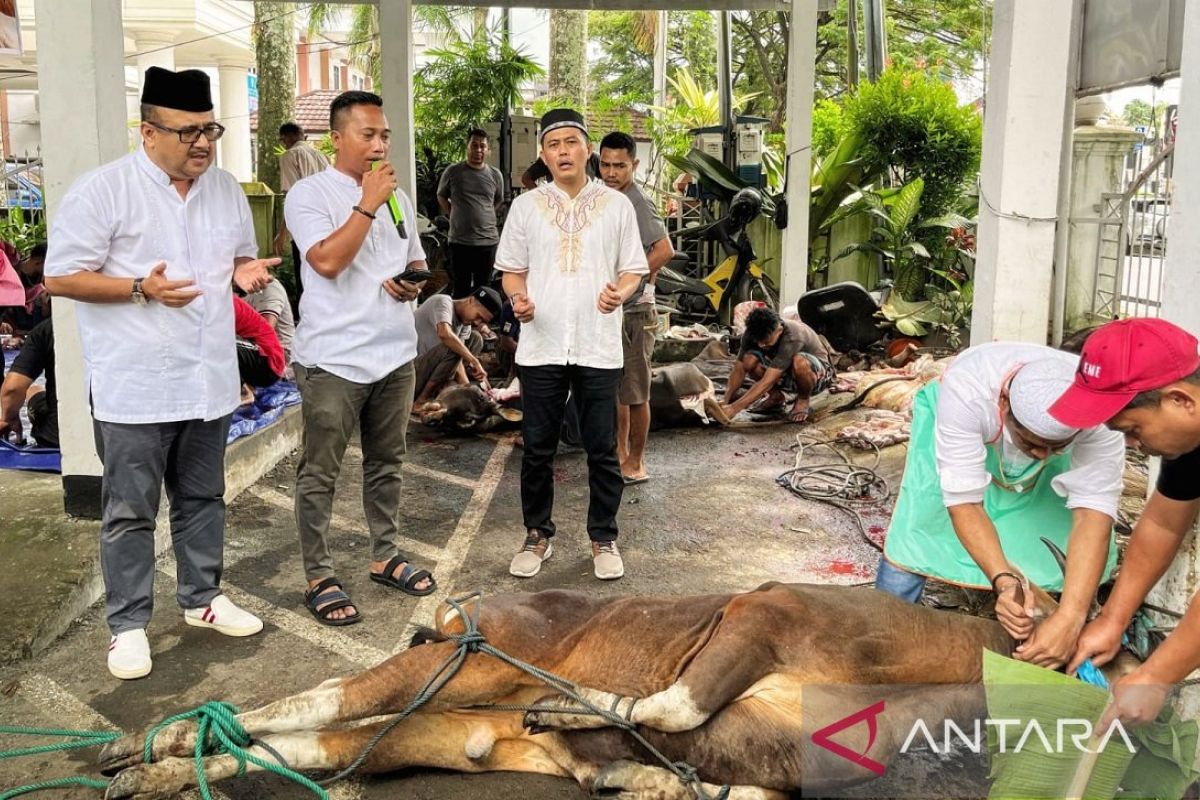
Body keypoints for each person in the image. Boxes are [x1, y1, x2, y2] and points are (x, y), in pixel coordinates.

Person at [43, 66, 275, 680]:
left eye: (210, 130)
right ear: (148, 132)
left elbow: (236, 259)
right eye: (187, 132)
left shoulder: (224, 189)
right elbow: (61, 276)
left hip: (208, 380)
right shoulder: (105, 191)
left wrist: (244, 272)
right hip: (136, 385)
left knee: (204, 497)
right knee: (129, 511)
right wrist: (138, 288)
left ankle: (202, 600)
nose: (202, 143)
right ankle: (127, 626)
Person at [876, 342, 1126, 670]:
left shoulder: (1100, 418)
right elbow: (963, 502)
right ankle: (885, 626)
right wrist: (1004, 582)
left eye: (1056, 447)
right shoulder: (968, 393)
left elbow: (1093, 512)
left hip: (1048, 428)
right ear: (1004, 404)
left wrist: (1071, 617)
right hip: (966, 419)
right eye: (1032, 444)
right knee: (924, 521)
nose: (1042, 456)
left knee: (1050, 525)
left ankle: (1052, 621)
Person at [284, 90, 437, 627]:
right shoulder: (309, 193)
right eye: (368, 134)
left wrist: (410, 283)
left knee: (387, 462)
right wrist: (367, 201)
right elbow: (325, 261)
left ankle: (385, 554)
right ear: (337, 137)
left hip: (393, 355)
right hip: (333, 360)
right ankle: (319, 574)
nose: (379, 144)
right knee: (320, 471)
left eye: (385, 135)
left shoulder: (397, 196)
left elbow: (413, 257)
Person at [496, 108, 649, 581]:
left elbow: (633, 269)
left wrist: (619, 292)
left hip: (596, 343)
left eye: (571, 142)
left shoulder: (616, 206)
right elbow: (511, 271)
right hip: (541, 344)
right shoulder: (526, 207)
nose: (563, 151)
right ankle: (537, 535)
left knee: (601, 446)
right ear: (543, 154)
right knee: (538, 446)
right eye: (553, 144)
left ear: (589, 150)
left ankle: (603, 536)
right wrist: (518, 299)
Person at [1058, 319, 1200, 727]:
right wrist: (1112, 620)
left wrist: (1156, 676)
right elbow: (1163, 524)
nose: (1134, 445)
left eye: (1133, 429)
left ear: (1180, 401)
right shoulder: (1189, 438)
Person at [597, 132, 674, 485]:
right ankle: (619, 452)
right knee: (619, 390)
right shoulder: (608, 198)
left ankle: (637, 461)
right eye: (605, 165)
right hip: (616, 310)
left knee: (636, 391)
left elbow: (664, 249)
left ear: (635, 165)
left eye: (620, 166)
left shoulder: (636, 201)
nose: (611, 172)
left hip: (637, 312)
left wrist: (631, 279)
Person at [722, 307, 834, 423]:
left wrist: (734, 408)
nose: (760, 345)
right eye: (758, 341)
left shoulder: (793, 336)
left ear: (779, 330)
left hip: (816, 376)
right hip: (786, 373)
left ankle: (803, 399)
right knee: (749, 360)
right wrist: (725, 401)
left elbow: (768, 380)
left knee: (799, 361)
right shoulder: (751, 333)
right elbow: (738, 369)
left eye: (766, 342)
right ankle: (776, 397)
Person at [436, 129, 505, 298]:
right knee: (461, 287)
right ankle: (461, 325)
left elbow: (498, 200)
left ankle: (480, 324)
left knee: (484, 291)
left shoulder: (495, 175)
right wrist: (453, 214)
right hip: (460, 241)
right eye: (474, 145)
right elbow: (441, 195)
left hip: (487, 241)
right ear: (467, 147)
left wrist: (485, 213)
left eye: (482, 146)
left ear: (488, 150)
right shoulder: (453, 172)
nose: (478, 150)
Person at [272, 121, 329, 318]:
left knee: (305, 276)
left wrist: (281, 233)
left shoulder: (290, 156)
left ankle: (309, 320)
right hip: (328, 222)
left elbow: (291, 196)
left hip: (305, 225)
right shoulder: (321, 156)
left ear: (286, 138)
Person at [413, 286, 502, 406]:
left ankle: (443, 387)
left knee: (476, 338)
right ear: (471, 300)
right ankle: (421, 400)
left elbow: (458, 362)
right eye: (478, 316)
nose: (477, 322)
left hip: (429, 371)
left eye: (482, 321)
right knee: (454, 348)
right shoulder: (442, 302)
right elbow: (445, 334)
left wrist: (470, 390)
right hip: (411, 373)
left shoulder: (465, 323)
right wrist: (475, 361)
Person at [0, 317, 56, 447]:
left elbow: (12, 388)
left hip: (56, 433)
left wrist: (9, 418)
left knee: (33, 390)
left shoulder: (45, 330)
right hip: (106, 425)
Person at [233, 295, 285, 391]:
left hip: (270, 363)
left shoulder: (220, 303)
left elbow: (270, 324)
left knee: (218, 343)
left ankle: (243, 392)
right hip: (255, 359)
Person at [241, 276, 294, 360]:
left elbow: (265, 332)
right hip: (253, 351)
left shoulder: (268, 287)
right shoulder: (228, 291)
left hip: (281, 354)